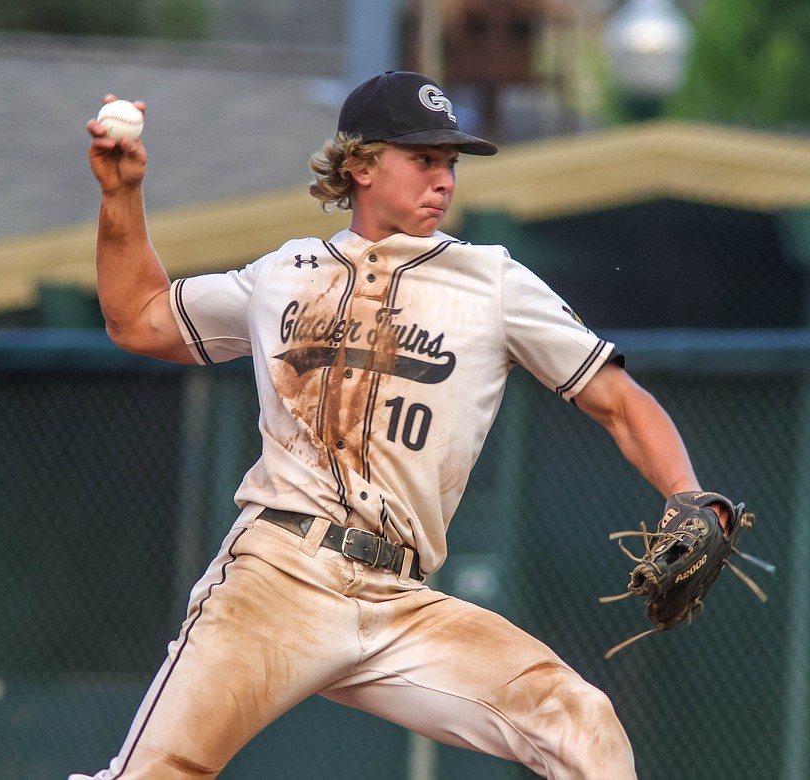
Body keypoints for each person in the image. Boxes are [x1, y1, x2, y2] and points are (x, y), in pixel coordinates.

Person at [74, 70, 722, 780]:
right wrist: (121, 193)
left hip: (399, 600)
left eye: (450, 163)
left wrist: (684, 491)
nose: (444, 179)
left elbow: (619, 400)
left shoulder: (493, 283)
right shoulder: (284, 272)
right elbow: (138, 318)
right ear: (360, 165)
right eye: (423, 159)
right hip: (279, 572)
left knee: (581, 721)